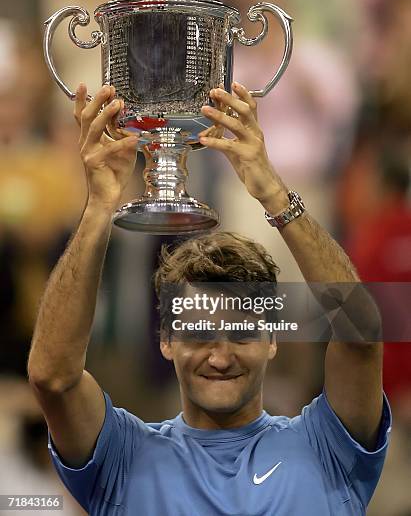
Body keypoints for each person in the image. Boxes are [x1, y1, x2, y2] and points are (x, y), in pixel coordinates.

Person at [28, 82, 391, 515]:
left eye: (240, 334)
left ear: (271, 339)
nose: (220, 357)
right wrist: (100, 207)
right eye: (200, 334)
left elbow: (361, 337)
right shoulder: (122, 458)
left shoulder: (328, 449)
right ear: (166, 340)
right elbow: (53, 377)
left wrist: (274, 193)